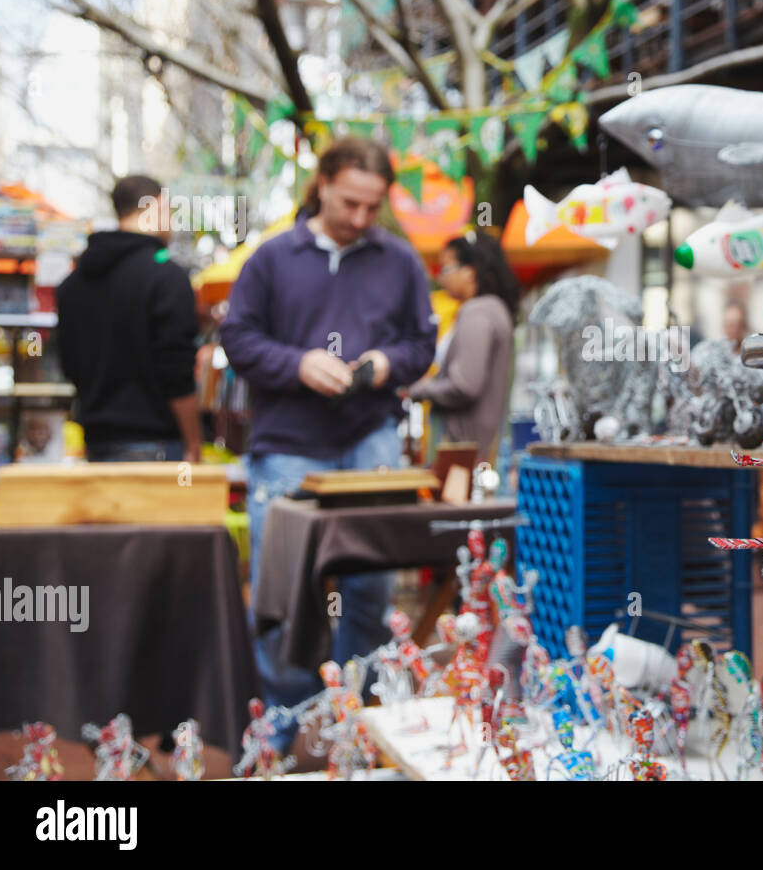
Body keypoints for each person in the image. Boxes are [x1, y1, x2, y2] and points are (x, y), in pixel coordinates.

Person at [220, 137, 437, 748]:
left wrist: (382, 364)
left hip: (370, 437)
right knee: (283, 587)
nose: (362, 218)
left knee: (369, 587)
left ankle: (357, 722)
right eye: (350, 203)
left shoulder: (400, 261)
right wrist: (298, 365)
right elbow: (237, 339)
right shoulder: (270, 258)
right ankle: (281, 730)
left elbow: (422, 344)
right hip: (287, 441)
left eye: (373, 206)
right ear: (321, 183)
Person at [56, 175, 202, 462]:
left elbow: (69, 364)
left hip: (96, 447)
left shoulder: (72, 285)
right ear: (156, 206)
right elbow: (177, 371)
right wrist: (193, 443)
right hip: (158, 449)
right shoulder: (167, 278)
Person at [406, 230, 518, 464]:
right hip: (479, 450)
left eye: (446, 269)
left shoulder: (477, 312)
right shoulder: (493, 309)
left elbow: (465, 385)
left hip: (462, 453)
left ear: (469, 272)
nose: (441, 277)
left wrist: (420, 389)